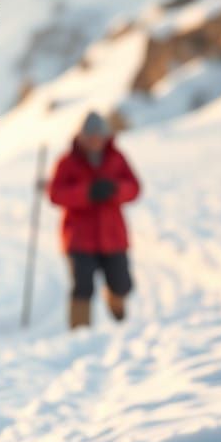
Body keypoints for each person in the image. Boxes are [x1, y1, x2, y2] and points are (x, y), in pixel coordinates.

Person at [47, 111, 141, 329]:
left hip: (113, 236)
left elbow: (135, 188)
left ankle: (119, 318)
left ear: (105, 136)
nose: (94, 141)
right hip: (79, 239)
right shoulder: (67, 161)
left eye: (98, 136)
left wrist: (116, 190)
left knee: (122, 284)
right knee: (82, 287)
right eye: (89, 137)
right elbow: (55, 194)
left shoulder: (117, 158)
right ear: (81, 136)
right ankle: (79, 333)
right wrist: (87, 193)